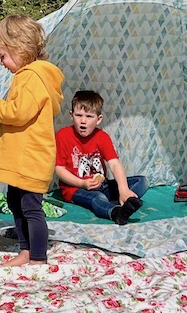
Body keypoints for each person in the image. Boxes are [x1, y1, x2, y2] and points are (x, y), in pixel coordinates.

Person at [0, 15, 64, 267]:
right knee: (16, 202)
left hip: (31, 157)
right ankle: (26, 251)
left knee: (31, 208)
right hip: (23, 157)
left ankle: (37, 257)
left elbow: (18, 112)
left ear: (19, 48)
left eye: (2, 56)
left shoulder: (31, 77)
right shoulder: (29, 76)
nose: (1, 63)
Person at [54, 88, 147, 224]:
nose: (83, 121)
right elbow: (59, 169)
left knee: (142, 181)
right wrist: (82, 183)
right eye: (79, 115)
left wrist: (123, 189)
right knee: (97, 198)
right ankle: (116, 212)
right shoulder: (63, 135)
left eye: (89, 116)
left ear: (99, 119)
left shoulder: (102, 137)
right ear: (71, 115)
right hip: (75, 188)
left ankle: (126, 199)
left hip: (101, 185)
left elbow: (114, 164)